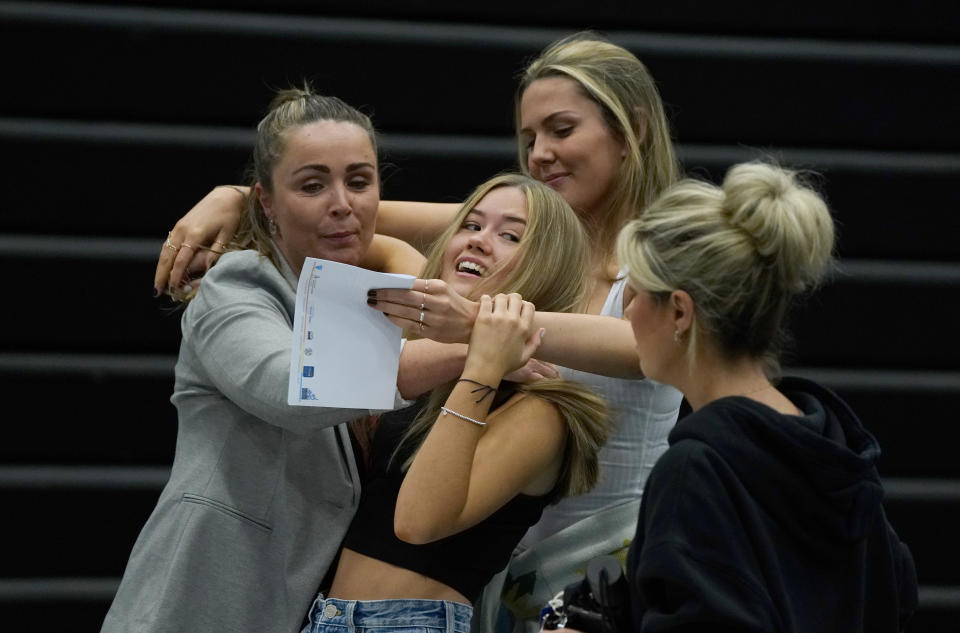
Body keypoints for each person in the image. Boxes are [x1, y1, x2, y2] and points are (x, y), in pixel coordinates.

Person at [153, 32, 684, 628]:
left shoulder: (658, 267)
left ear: (633, 130)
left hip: (591, 573)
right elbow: (352, 217)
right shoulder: (489, 252)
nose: (538, 153)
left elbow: (645, 349)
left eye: (561, 130)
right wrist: (239, 201)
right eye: (528, 137)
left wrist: (480, 340)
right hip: (496, 583)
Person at [102, 88, 430, 633]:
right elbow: (291, 389)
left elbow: (518, 217)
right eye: (312, 184)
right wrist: (473, 353)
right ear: (267, 203)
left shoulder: (351, 302)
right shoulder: (236, 284)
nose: (342, 203)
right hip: (194, 608)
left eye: (359, 180)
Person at [613, 162, 917, 631]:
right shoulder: (839, 454)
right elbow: (896, 594)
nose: (626, 313)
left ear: (678, 312)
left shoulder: (697, 470)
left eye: (633, 295)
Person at [303, 172, 611, 632]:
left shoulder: (543, 411)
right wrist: (232, 200)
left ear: (550, 267)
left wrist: (485, 363)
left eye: (509, 235)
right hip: (326, 614)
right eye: (471, 225)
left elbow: (417, 522)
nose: (480, 242)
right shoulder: (430, 367)